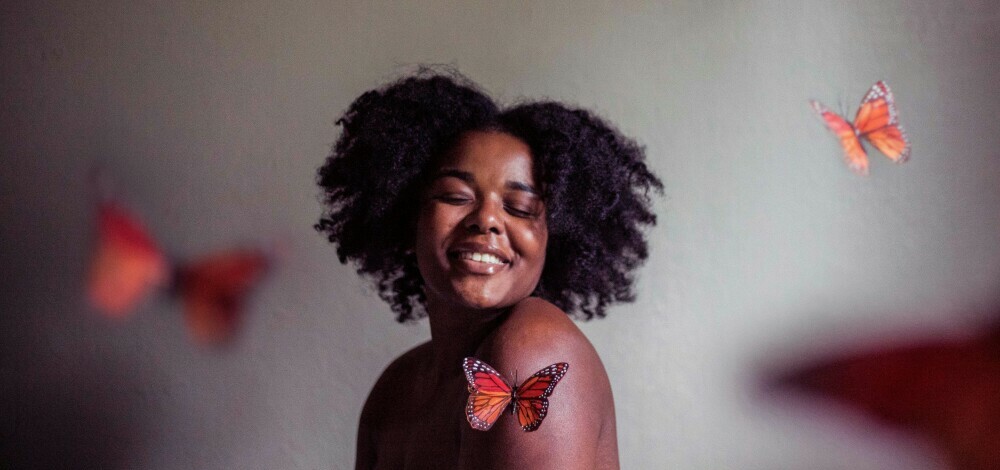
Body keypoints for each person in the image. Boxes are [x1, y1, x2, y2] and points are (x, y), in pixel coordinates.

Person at [316, 68, 661, 469]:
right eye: (455, 196)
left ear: (555, 236)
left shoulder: (532, 348)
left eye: (519, 208)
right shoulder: (396, 389)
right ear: (409, 214)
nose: (487, 220)